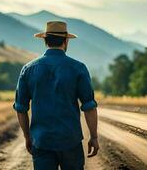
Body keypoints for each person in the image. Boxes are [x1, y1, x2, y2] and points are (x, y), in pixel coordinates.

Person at [13, 21, 99, 170]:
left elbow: (21, 109)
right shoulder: (78, 68)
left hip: (41, 141)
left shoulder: (28, 69)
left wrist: (28, 137)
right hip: (70, 141)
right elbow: (89, 107)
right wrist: (94, 137)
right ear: (66, 41)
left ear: (45, 40)